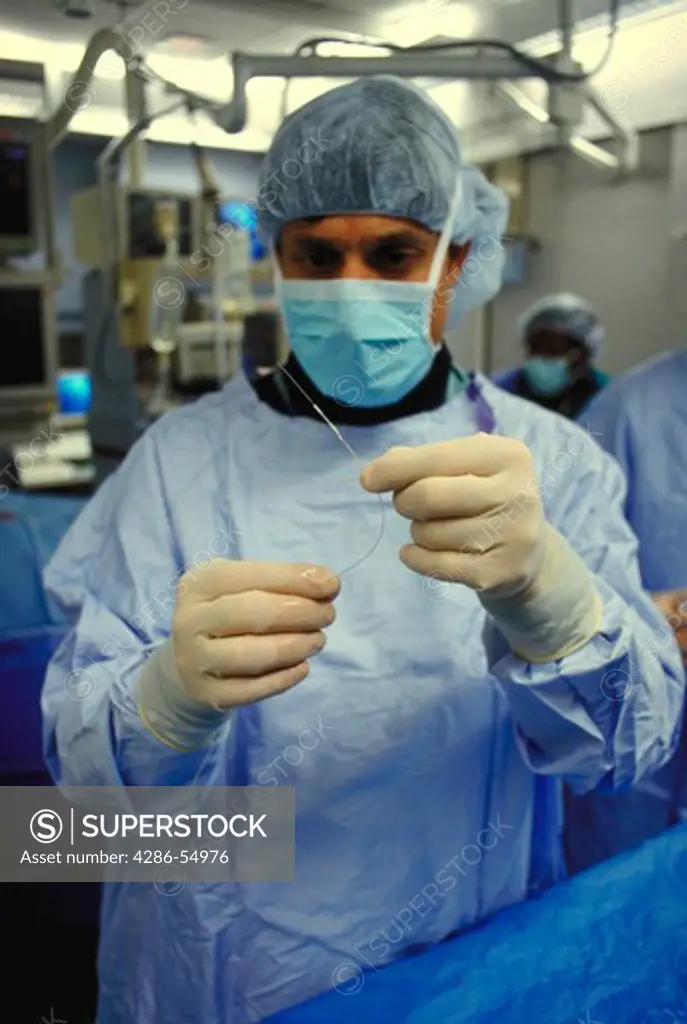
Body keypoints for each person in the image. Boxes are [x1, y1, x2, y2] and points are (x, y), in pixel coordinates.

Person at [41, 76, 684, 1023]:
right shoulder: (178, 463)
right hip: (215, 964)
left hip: (456, 965)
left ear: (454, 261)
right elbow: (82, 814)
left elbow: (625, 756)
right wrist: (161, 701)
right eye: (317, 254)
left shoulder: (548, 462)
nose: (352, 289)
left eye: (392, 254)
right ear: (276, 258)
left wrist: (555, 609)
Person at [564, 348, 687, 872]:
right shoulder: (631, 410)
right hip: (639, 747)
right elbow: (565, 594)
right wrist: (653, 622)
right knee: (624, 909)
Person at [494, 293, 611, 419]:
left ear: (581, 354)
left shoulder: (606, 397)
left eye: (552, 349)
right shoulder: (502, 391)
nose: (540, 355)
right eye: (535, 347)